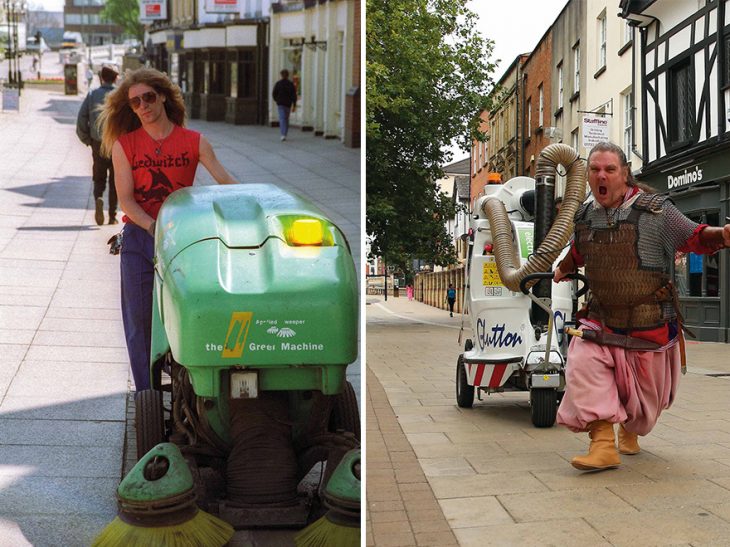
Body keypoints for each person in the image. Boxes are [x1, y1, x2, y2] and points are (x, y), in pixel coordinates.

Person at [554, 141, 730, 472]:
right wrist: (562, 268)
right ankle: (602, 443)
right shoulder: (584, 214)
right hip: (600, 319)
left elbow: (694, 236)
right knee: (580, 363)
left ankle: (630, 430)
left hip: (649, 324)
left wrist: (723, 234)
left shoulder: (656, 211)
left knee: (643, 403)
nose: (601, 175)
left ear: (625, 174)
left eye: (609, 169)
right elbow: (580, 249)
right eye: (594, 170)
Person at [98, 67, 238, 393]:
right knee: (140, 322)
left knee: (191, 313)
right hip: (140, 238)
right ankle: (146, 393)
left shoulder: (195, 142)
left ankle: (190, 386)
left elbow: (225, 181)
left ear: (162, 95)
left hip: (184, 239)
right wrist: (151, 226)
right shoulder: (125, 145)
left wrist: (259, 202)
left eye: (148, 97)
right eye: (135, 102)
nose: (143, 106)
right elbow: (127, 201)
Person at [76, 65, 119, 225]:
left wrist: (87, 139)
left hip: (98, 143)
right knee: (116, 180)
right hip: (117, 145)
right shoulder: (120, 96)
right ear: (115, 78)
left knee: (99, 177)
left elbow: (81, 118)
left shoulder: (93, 94)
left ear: (101, 78)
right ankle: (113, 215)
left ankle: (99, 198)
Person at [272, 69, 297, 142]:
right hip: (287, 104)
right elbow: (294, 95)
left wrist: (277, 100)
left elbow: (274, 94)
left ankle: (283, 134)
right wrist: (294, 104)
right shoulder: (290, 84)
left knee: (283, 118)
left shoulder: (278, 84)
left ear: (281, 75)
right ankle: (284, 133)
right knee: (286, 118)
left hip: (281, 104)